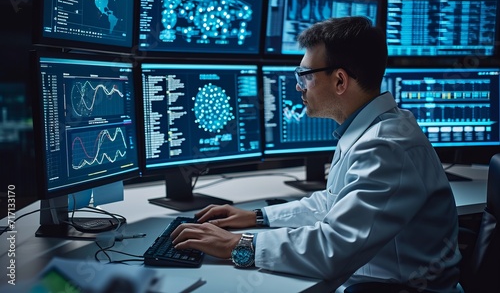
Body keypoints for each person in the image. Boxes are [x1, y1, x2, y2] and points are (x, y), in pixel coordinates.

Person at [171, 16, 462, 292]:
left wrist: (237, 244)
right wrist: (257, 217)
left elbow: (332, 248)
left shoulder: (386, 146)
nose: (299, 86)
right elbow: (335, 202)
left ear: (339, 81)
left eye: (305, 75)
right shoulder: (374, 128)